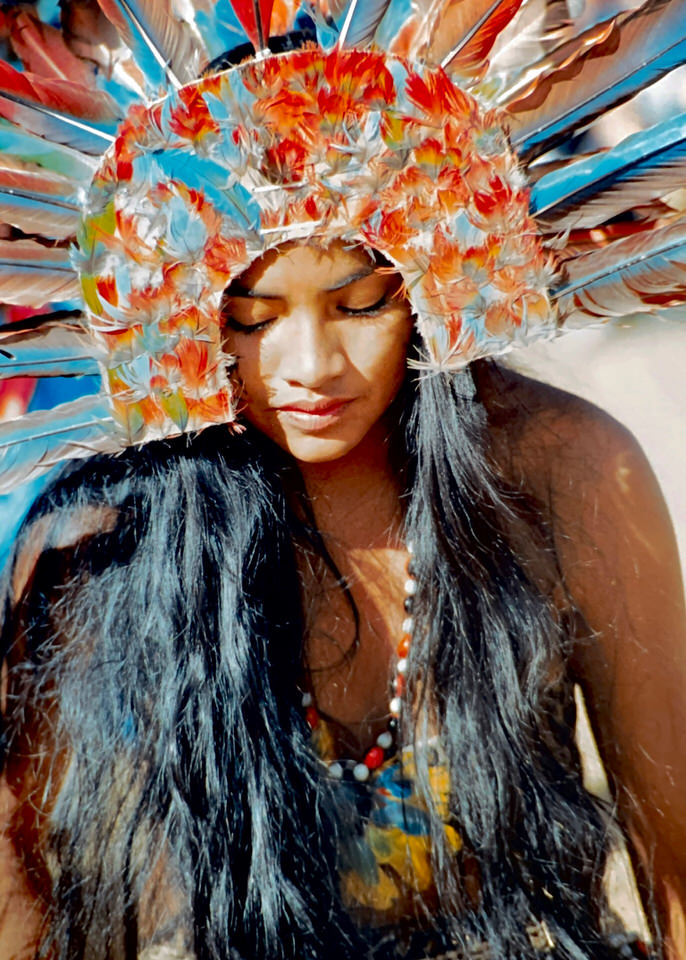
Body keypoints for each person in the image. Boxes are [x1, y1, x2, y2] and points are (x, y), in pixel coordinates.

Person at [0, 2, 685, 959]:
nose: (311, 363)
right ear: (192, 317)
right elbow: (30, 906)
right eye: (256, 316)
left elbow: (677, 865)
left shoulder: (569, 469)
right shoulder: (97, 541)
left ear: (431, 283)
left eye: (359, 303)